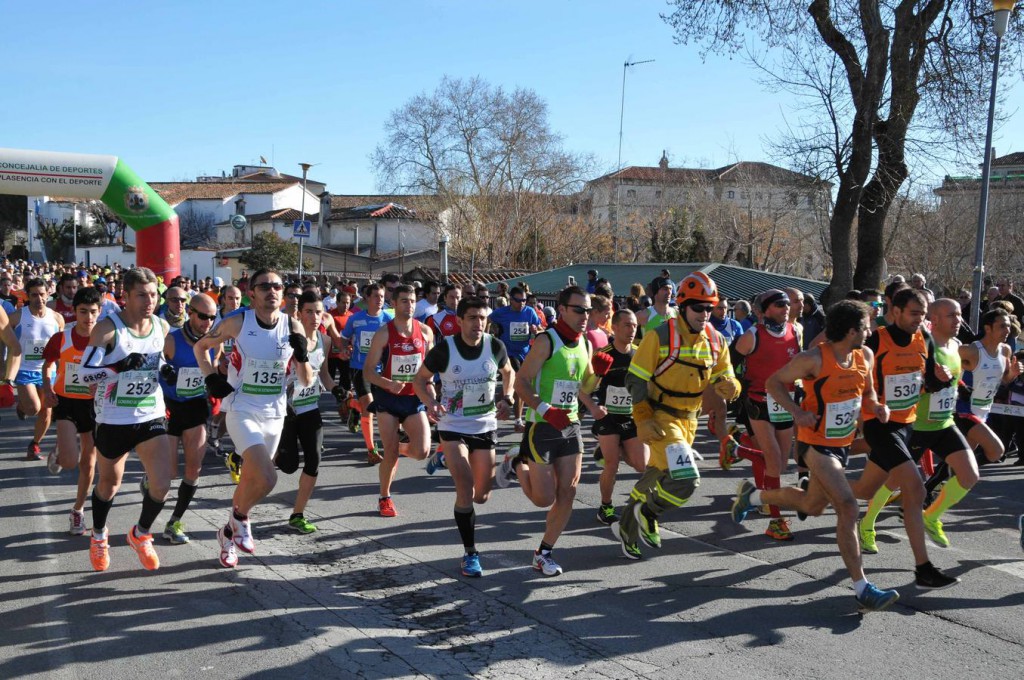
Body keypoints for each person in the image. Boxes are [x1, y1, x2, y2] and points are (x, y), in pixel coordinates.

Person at [732, 300, 901, 612]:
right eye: (866, 326)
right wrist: (796, 411)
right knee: (847, 506)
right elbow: (773, 383)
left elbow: (867, 394)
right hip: (814, 445)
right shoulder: (813, 358)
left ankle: (753, 497)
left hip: (843, 443)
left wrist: (876, 407)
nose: (870, 330)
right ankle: (862, 587)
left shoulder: (864, 355)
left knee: (812, 505)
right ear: (852, 330)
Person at [612, 273, 739, 560]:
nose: (705, 314)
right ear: (683, 306)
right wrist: (643, 417)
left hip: (689, 421)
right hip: (660, 417)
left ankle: (627, 529)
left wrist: (733, 387)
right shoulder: (660, 335)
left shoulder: (717, 340)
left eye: (710, 308)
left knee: (655, 476)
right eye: (698, 308)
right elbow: (635, 379)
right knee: (686, 479)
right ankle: (649, 513)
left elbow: (726, 375)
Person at [193, 268, 313, 568]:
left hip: (274, 413)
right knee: (268, 477)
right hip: (241, 408)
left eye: (277, 286)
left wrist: (304, 357)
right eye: (264, 287)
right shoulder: (238, 322)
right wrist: (210, 378)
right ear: (252, 293)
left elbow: (307, 380)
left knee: (250, 480)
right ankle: (242, 519)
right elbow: (200, 347)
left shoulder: (292, 325)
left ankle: (227, 535)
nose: (272, 291)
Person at [847, 288, 960, 589]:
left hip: (906, 425)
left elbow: (928, 384)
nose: (919, 320)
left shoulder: (925, 339)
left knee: (864, 490)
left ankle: (818, 481)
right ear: (895, 311)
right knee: (915, 489)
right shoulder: (875, 340)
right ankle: (923, 569)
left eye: (923, 315)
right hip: (879, 425)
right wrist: (871, 406)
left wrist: (941, 378)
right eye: (913, 313)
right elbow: (852, 378)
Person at [496, 285, 598, 576]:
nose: (584, 315)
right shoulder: (546, 340)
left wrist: (599, 375)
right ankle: (517, 461)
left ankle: (544, 552)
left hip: (571, 425)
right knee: (544, 499)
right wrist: (544, 410)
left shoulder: (585, 343)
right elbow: (521, 382)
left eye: (588, 310)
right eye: (578, 309)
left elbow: (584, 387)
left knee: (568, 493)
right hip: (541, 426)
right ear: (563, 309)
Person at [78, 267, 174, 572]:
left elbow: (155, 358)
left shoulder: (162, 325)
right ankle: (99, 536)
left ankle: (141, 534)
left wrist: (164, 368)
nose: (150, 300)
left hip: (150, 413)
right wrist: (117, 367)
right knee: (109, 483)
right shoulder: (107, 329)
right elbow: (83, 375)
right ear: (126, 296)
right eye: (142, 295)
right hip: (114, 417)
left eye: (153, 294)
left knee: (161, 483)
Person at [413, 297, 514, 577]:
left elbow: (509, 372)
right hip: (452, 425)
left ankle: (443, 456)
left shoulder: (495, 346)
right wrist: (431, 403)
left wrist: (508, 397)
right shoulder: (445, 350)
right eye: (472, 318)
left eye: (482, 318)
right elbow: (419, 380)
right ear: (459, 321)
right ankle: (471, 554)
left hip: (484, 425)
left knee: (482, 495)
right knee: (466, 488)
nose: (478, 323)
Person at [731, 288, 803, 541]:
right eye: (779, 305)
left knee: (781, 464)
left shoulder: (796, 331)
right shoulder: (752, 336)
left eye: (786, 305)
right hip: (759, 401)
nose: (785, 309)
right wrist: (735, 389)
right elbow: (729, 363)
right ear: (764, 310)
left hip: (786, 402)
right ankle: (776, 521)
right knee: (773, 461)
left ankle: (738, 451)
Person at [363, 284, 434, 516]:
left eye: (412, 301)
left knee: (422, 451)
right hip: (388, 399)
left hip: (413, 399)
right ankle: (385, 497)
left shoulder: (425, 332)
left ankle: (395, 448)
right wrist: (387, 383)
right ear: (393, 303)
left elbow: (429, 371)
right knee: (390, 454)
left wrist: (432, 397)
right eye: (404, 301)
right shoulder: (384, 333)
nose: (410, 305)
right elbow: (368, 372)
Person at [155, 293, 218, 544]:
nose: (208, 322)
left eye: (212, 317)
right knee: (169, 473)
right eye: (203, 316)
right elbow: (154, 367)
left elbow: (215, 366)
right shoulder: (172, 340)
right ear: (190, 313)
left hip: (195, 406)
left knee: (194, 468)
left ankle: (174, 522)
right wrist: (165, 373)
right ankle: (152, 479)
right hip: (170, 408)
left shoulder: (214, 341)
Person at [275, 291, 339, 534]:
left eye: (319, 312)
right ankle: (255, 455)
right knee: (289, 465)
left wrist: (336, 389)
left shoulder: (325, 341)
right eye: (309, 312)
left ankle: (298, 514)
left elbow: (323, 374)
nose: (314, 317)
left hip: (311, 408)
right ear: (299, 314)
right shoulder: (289, 341)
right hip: (287, 412)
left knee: (314, 459)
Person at [41, 286, 101, 535]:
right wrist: (47, 389)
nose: (88, 318)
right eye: (83, 311)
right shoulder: (61, 338)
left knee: (88, 463)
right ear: (74, 312)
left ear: (99, 312)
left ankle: (77, 511)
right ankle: (59, 452)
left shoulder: (105, 339)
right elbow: (47, 366)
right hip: (65, 402)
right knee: (69, 461)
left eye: (93, 312)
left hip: (93, 406)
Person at [579, 309, 648, 524]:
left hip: (631, 416)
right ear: (615, 327)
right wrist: (598, 377)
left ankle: (616, 449)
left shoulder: (639, 353)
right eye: (627, 325)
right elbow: (584, 389)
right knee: (611, 465)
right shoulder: (603, 353)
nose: (631, 329)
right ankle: (605, 507)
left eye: (634, 325)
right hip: (608, 417)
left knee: (642, 465)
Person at [7, 277, 64, 460]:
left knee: (47, 411)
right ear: (27, 296)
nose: (39, 298)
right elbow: (4, 337)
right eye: (34, 295)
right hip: (24, 368)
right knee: (34, 408)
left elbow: (61, 346)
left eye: (42, 294)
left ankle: (35, 444)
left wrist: (63, 370)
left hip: (48, 370)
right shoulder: (17, 317)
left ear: (48, 293)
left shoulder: (56, 318)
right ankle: (23, 406)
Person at [340, 283, 394, 463]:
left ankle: (352, 404)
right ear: (367, 299)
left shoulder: (388, 319)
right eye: (376, 296)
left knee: (381, 407)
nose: (380, 300)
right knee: (369, 405)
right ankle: (371, 449)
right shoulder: (355, 319)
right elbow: (343, 338)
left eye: (382, 296)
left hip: (381, 370)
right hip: (360, 368)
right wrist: (344, 349)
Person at [489, 286, 542, 431]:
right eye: (519, 300)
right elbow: (487, 320)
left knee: (511, 385)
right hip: (508, 353)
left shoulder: (530, 312)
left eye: (524, 300)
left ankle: (493, 406)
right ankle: (518, 422)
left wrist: (536, 330)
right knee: (519, 383)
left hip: (525, 352)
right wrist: (489, 335)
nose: (522, 303)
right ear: (511, 300)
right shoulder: (501, 312)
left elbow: (540, 327)